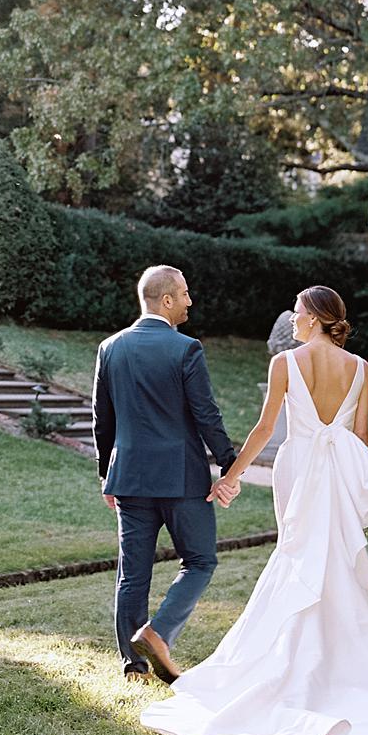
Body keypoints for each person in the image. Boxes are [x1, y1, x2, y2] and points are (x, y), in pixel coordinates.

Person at [140, 285, 368, 735]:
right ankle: (334, 667)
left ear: (316, 318)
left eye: (297, 312)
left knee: (299, 557)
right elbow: (361, 435)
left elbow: (264, 429)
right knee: (332, 560)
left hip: (299, 469)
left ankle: (298, 668)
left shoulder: (286, 363)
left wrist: (230, 476)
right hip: (341, 472)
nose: (292, 319)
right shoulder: (360, 367)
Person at [92, 264, 240, 684]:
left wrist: (107, 473)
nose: (191, 302)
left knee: (132, 572)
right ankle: (157, 634)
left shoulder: (110, 348)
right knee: (200, 561)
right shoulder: (186, 349)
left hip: (131, 479)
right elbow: (206, 415)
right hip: (181, 480)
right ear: (167, 300)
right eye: (186, 294)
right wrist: (230, 465)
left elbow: (102, 420)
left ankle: (133, 664)